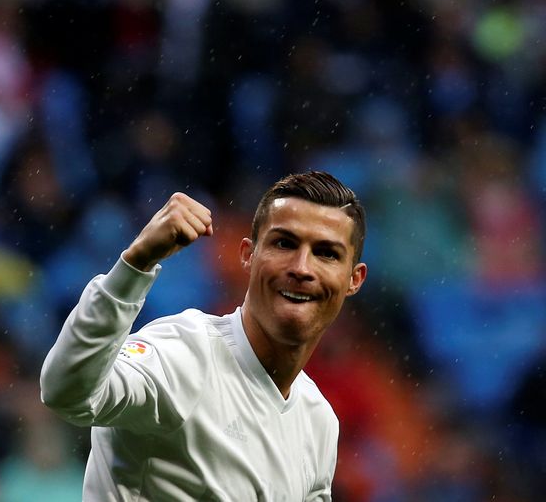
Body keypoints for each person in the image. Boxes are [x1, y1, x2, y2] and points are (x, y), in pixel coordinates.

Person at [40, 171, 368, 501]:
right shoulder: (184, 355)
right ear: (248, 255)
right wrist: (135, 264)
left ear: (354, 279)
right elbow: (67, 393)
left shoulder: (318, 421)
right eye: (284, 243)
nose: (302, 268)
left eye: (326, 253)